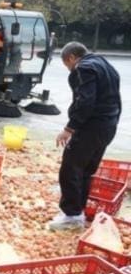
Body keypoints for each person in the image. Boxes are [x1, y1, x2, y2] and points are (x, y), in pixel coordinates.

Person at [49, 42, 122, 231]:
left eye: (67, 65)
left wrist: (70, 128)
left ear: (72, 58)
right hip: (108, 125)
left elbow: (85, 101)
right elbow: (114, 97)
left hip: (92, 126)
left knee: (70, 168)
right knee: (85, 169)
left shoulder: (84, 68)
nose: (69, 69)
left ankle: (72, 215)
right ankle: (77, 208)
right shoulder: (104, 64)